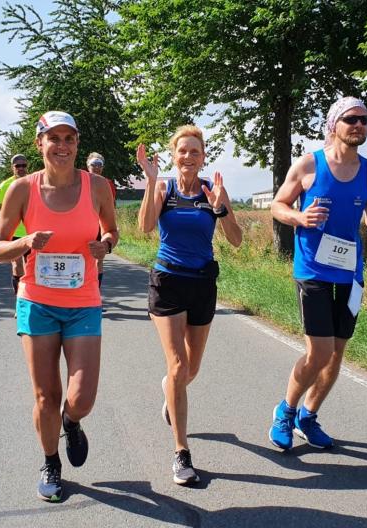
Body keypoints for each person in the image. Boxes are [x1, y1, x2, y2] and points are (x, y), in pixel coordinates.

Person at [0, 111, 118, 502]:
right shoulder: (21, 190)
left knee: (82, 397)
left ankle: (71, 421)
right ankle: (50, 462)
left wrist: (106, 245)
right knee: (46, 394)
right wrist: (25, 242)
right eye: (54, 138)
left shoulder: (97, 186)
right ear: (39, 143)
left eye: (69, 139)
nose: (62, 146)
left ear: (77, 144)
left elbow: (112, 230)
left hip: (83, 301)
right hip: (37, 301)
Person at [268, 96, 367, 451]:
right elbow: (278, 205)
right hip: (312, 270)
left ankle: (308, 416)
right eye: (351, 119)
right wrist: (300, 217)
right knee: (319, 353)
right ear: (334, 124)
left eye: (365, 120)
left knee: (337, 353)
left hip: (350, 274)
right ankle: (285, 411)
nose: (359, 125)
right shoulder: (309, 164)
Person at [137, 125, 242, 485]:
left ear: (203, 157)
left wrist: (221, 209)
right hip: (167, 282)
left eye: (194, 151)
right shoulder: (164, 188)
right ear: (174, 155)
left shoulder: (213, 190)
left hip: (202, 284)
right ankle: (181, 453)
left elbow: (237, 240)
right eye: (182, 151)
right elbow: (145, 227)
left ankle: (171, 388)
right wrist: (151, 181)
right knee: (179, 364)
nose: (188, 156)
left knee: (190, 370)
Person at [0, 155, 30, 295]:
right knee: (17, 264)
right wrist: (4, 216)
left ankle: (31, 296)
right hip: (13, 231)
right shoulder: (5, 185)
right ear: (12, 168)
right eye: (17, 166)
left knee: (32, 266)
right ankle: (19, 297)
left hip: (32, 231)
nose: (21, 168)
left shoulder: (34, 181)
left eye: (23, 165)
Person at [86, 152, 117, 288]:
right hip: (84, 224)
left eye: (100, 164)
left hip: (100, 225)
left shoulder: (108, 183)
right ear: (88, 166)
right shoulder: (80, 181)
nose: (97, 167)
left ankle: (96, 292)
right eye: (94, 164)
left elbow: (111, 206)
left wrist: (112, 226)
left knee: (99, 259)